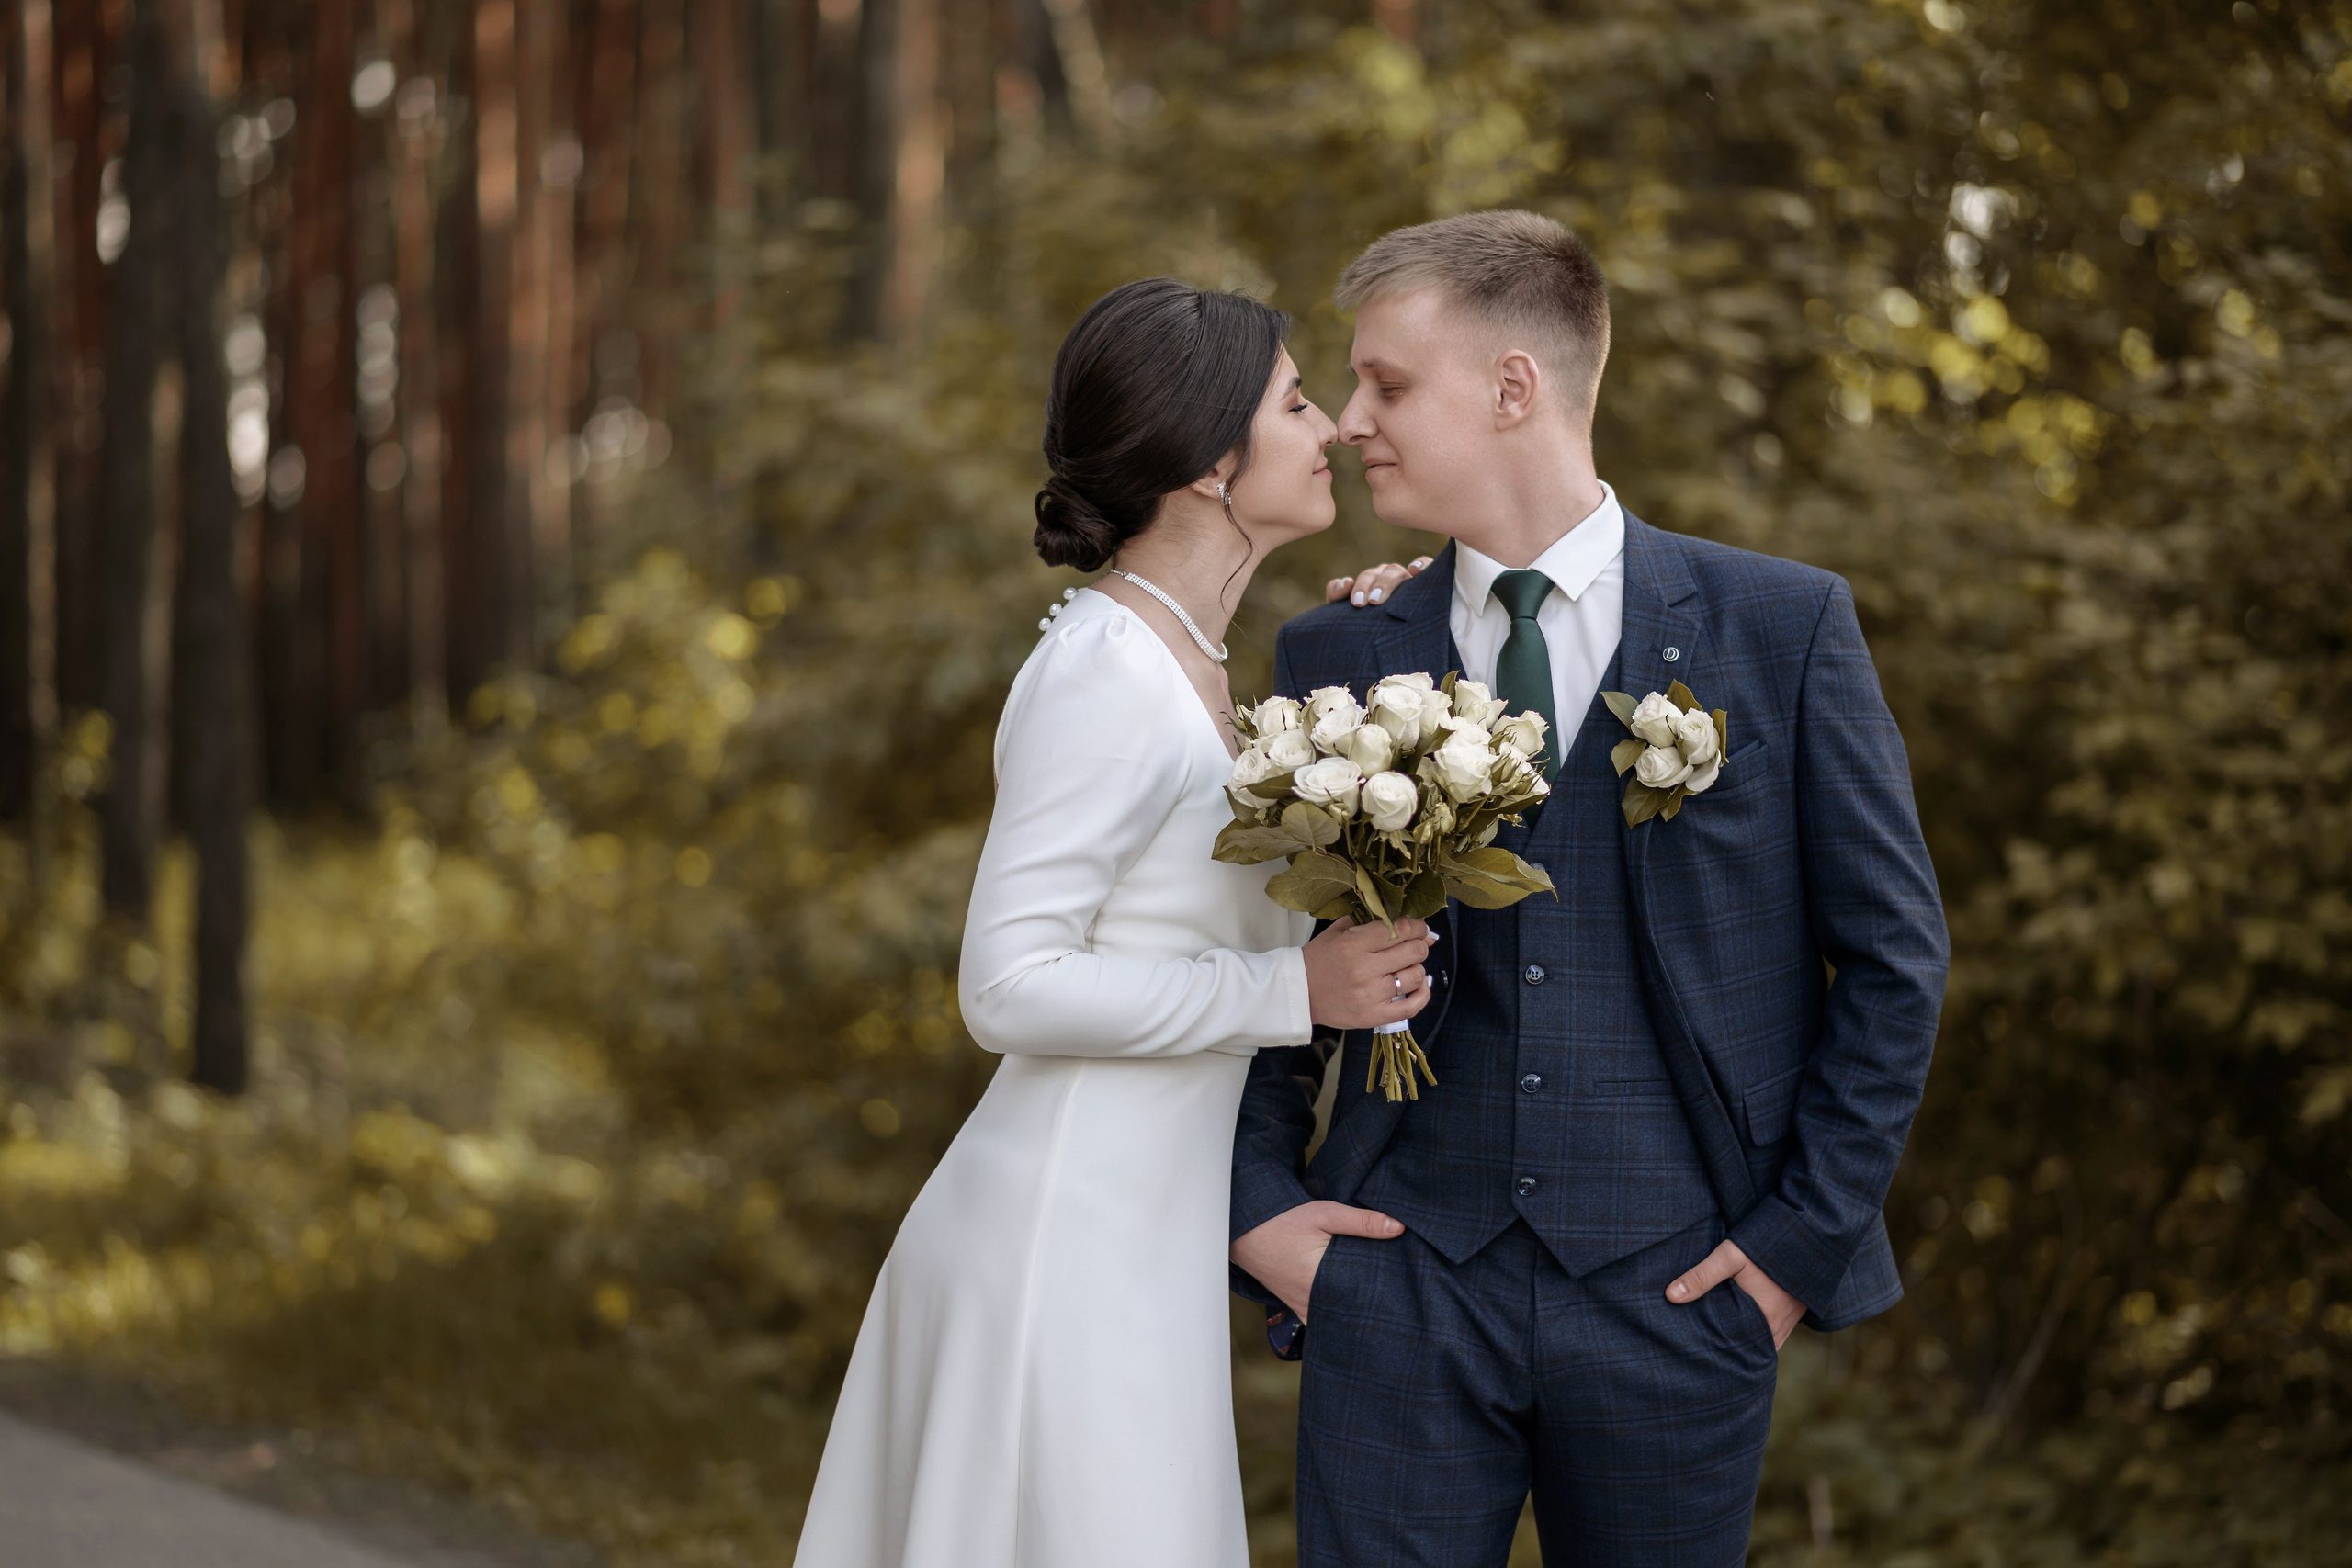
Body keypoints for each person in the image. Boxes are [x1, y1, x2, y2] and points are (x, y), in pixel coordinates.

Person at [1229, 211, 1950, 1566]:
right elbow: (1262, 957)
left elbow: (1897, 962)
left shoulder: (1780, 628)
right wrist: (1261, 1211)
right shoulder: (1336, 647)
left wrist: (1792, 1253)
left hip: (1682, 1299)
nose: (1350, 422)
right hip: (1394, 1287)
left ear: (1514, 387)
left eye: (1388, 384)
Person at [792, 278, 1436, 1568]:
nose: (1331, 434)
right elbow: (1008, 986)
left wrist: (1400, 636)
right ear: (1210, 462)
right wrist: (1288, 995)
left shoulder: (1194, 666)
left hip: (1143, 1245)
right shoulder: (1098, 671)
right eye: (1299, 403)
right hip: (1058, 1250)